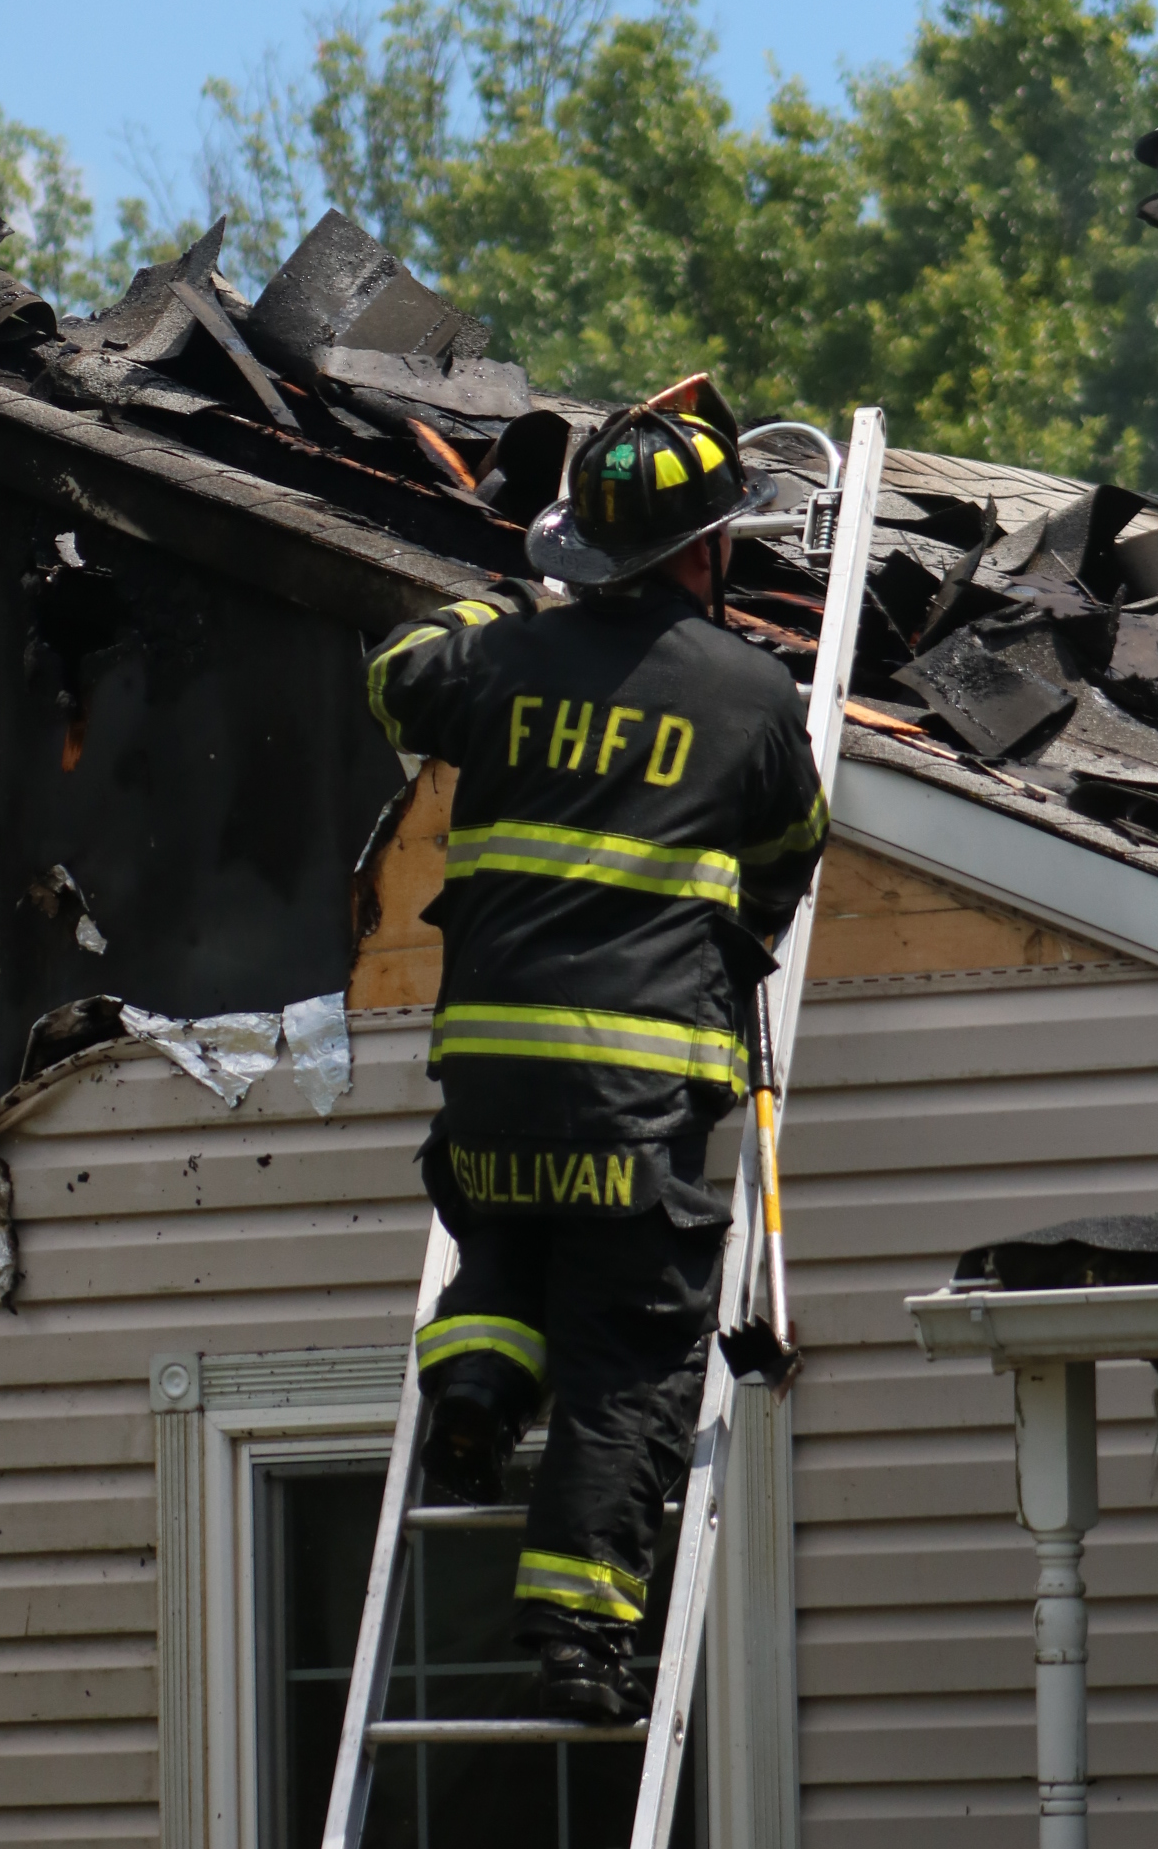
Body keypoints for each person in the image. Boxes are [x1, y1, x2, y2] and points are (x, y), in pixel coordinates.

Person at [364, 376, 828, 1722]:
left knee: (508, 1245)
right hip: (636, 1096)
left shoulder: (503, 658)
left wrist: (510, 596)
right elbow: (789, 852)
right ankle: (579, 1639)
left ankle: (474, 1388)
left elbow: (395, 674)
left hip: (490, 1084)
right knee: (629, 1358)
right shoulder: (750, 692)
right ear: (710, 546)